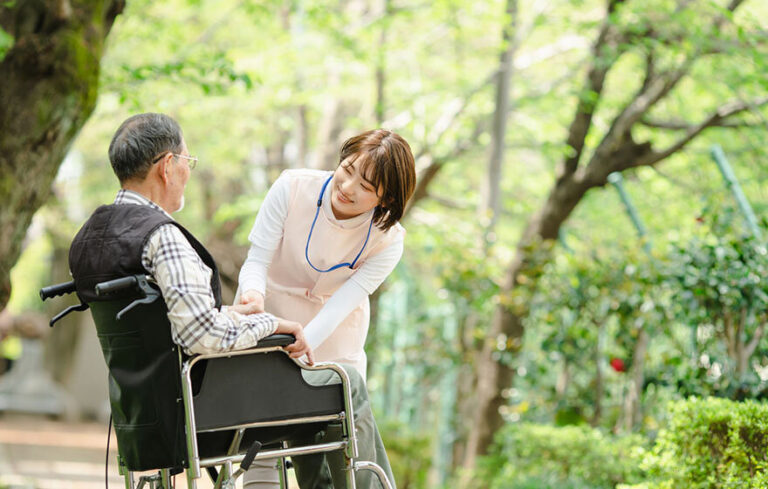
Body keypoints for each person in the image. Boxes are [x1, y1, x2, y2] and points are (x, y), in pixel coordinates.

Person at [67, 113, 396, 489]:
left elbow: (167, 320)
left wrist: (230, 313)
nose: (188, 172)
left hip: (145, 406)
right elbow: (200, 335)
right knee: (345, 381)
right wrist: (273, 324)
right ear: (167, 167)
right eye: (187, 162)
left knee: (313, 392)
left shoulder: (90, 238)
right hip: (207, 399)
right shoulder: (162, 237)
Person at [237, 129, 416, 378]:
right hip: (268, 316)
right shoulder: (292, 187)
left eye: (365, 186)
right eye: (347, 169)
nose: (347, 187)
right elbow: (257, 260)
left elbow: (341, 306)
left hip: (333, 336)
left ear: (386, 199)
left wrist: (301, 344)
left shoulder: (389, 241)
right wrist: (253, 294)